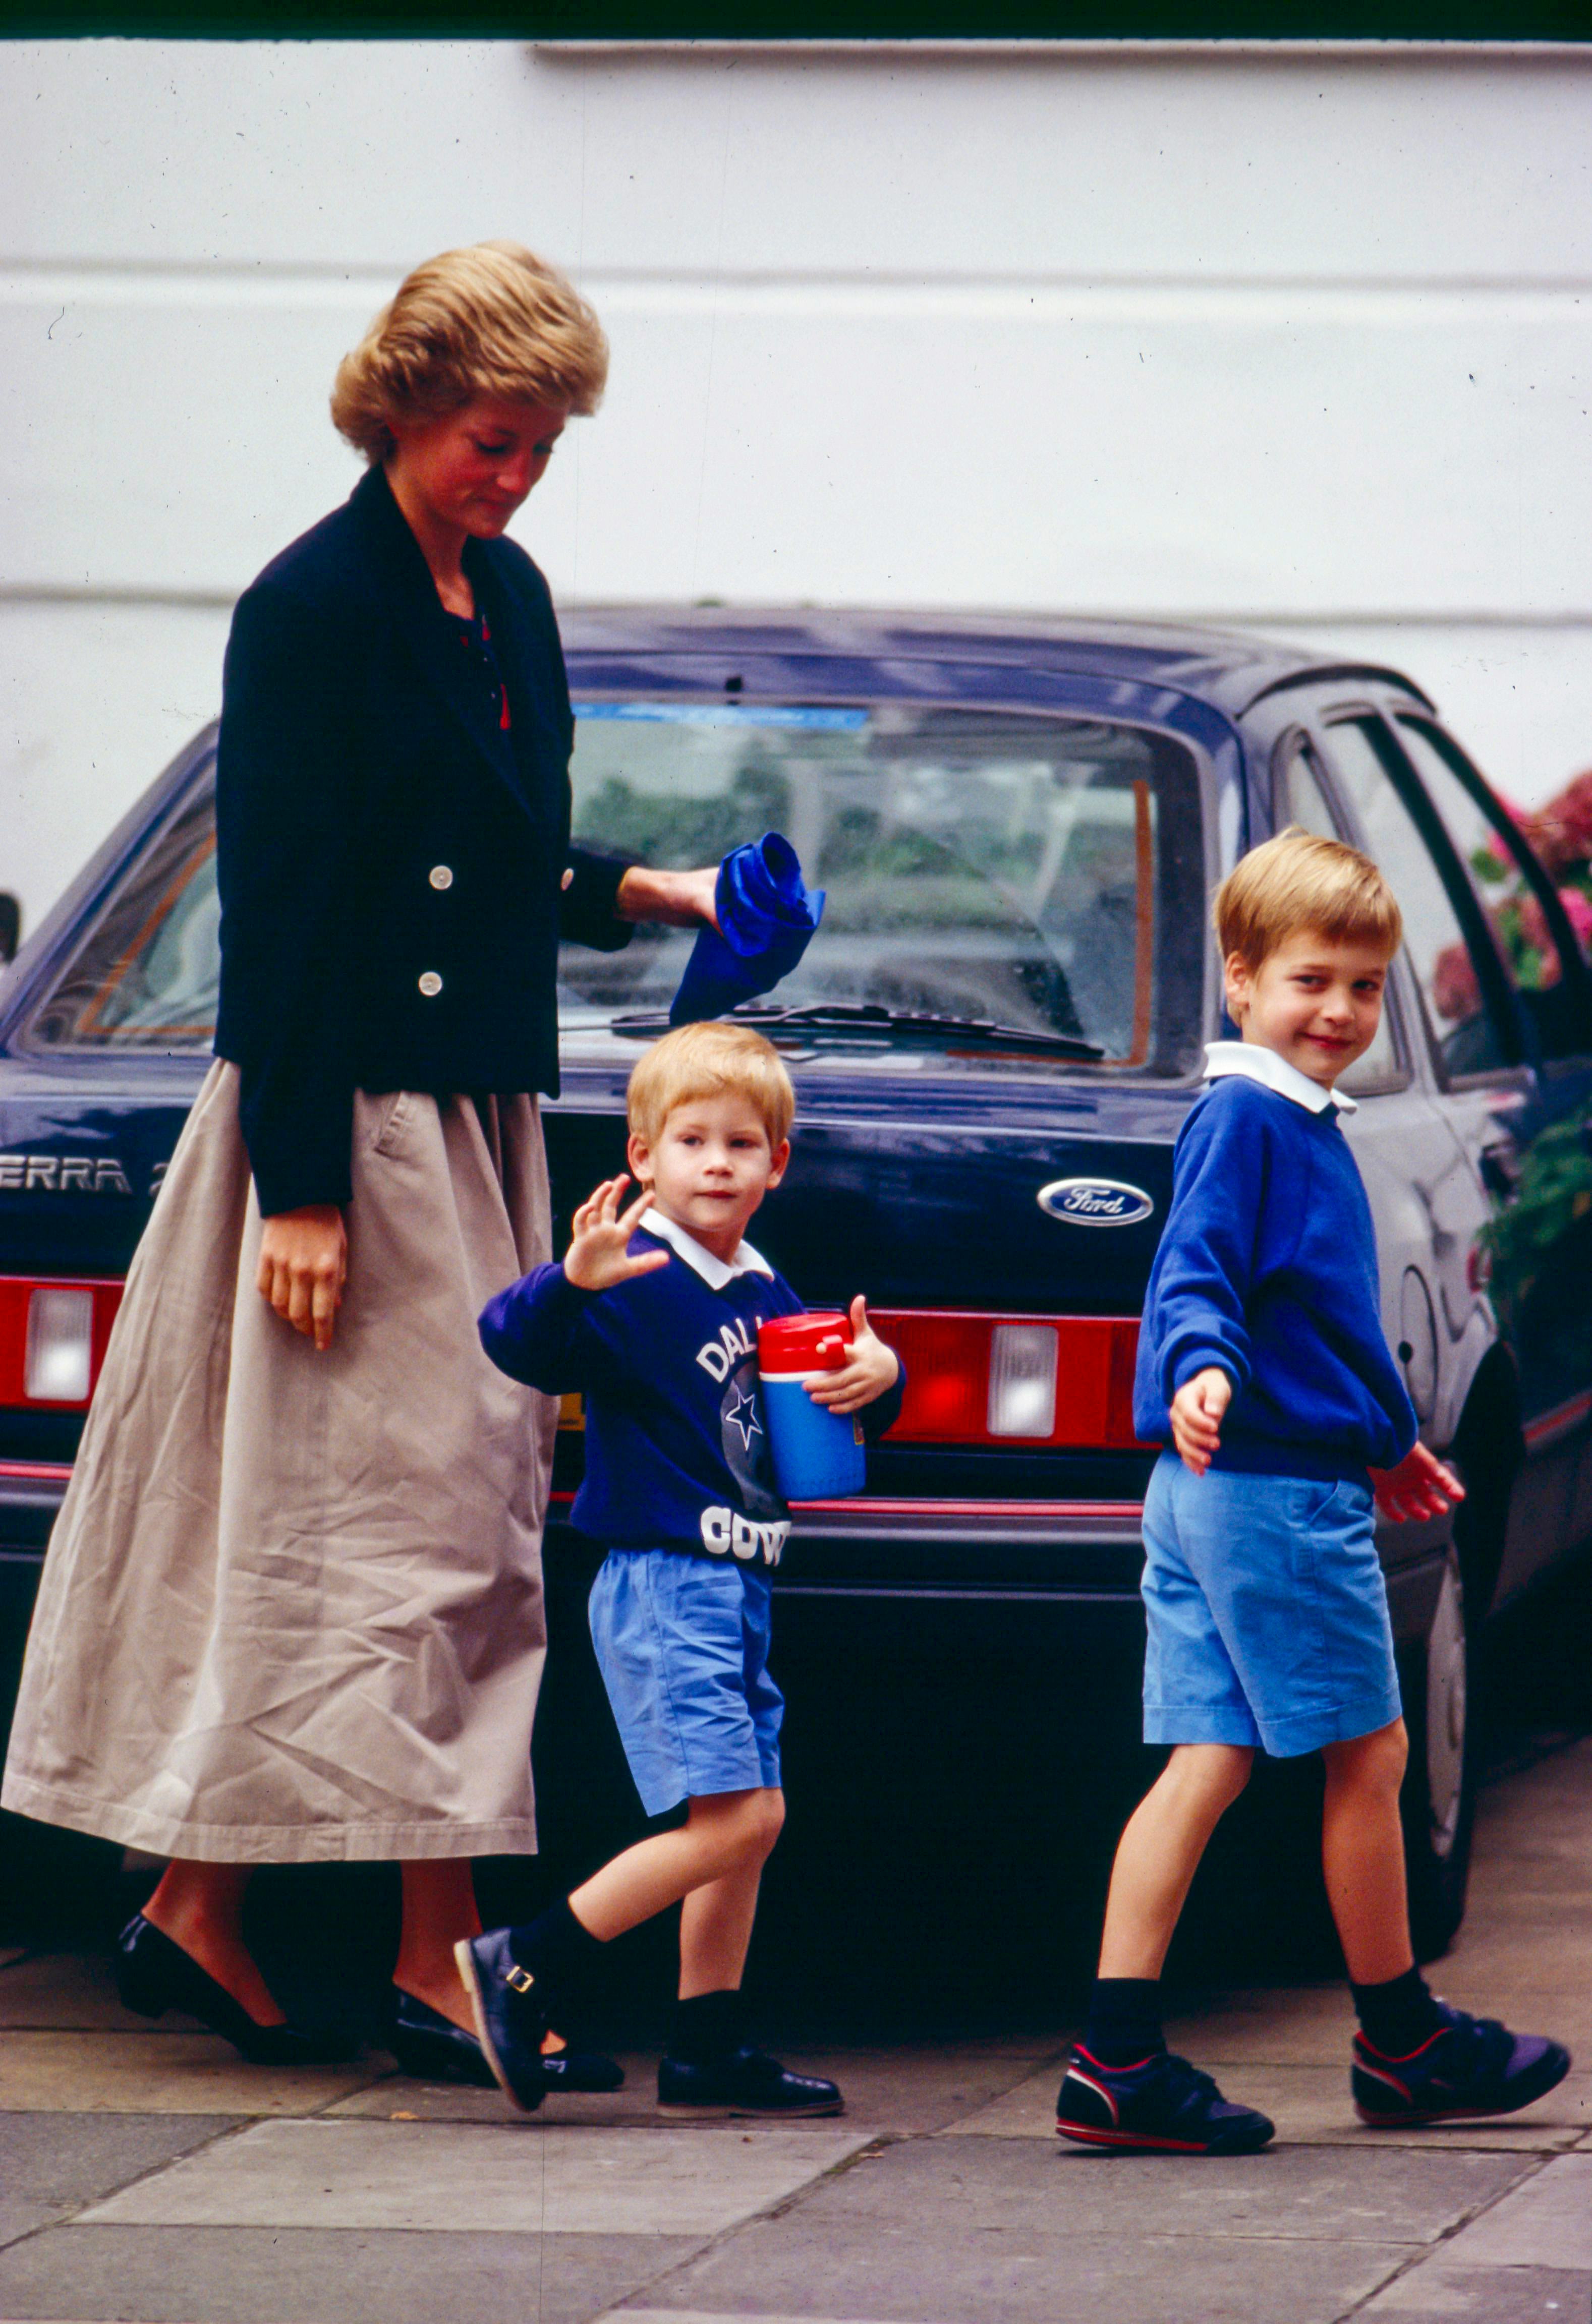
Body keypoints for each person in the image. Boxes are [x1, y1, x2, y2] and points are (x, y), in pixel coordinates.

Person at [2, 243, 722, 2086]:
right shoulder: (310, 603)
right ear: (404, 397)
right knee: (425, 1535)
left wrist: (646, 888)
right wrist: (302, 1179)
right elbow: (293, 908)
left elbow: (493, 852)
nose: (516, 476)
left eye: (544, 447)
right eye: (495, 437)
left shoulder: (510, 593)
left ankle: (221, 1908)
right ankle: (399, 1949)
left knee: (426, 1533)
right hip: (353, 1130)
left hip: (475, 1114)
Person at [1055, 829, 1572, 2154]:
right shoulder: (1246, 1121)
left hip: (1229, 1487)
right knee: (1373, 1752)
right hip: (1267, 1497)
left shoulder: (1287, 1117)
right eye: (1307, 981)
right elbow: (1196, 1276)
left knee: (1209, 1758)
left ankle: (1113, 2058)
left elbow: (1321, 1321)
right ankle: (1400, 2041)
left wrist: (1385, 1440)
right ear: (1238, 983)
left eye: (1360, 986)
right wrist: (1200, 1367)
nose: (1335, 1010)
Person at [460, 1020, 904, 2114]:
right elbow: (513, 1340)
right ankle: (523, 1962)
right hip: (665, 1584)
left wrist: (876, 1374)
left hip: (740, 1581)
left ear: (776, 1163)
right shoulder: (637, 1271)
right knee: (737, 1820)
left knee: (748, 1820)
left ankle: (707, 2044)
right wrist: (571, 1278)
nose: (717, 1162)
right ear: (643, 1157)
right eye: (691, 1141)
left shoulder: (761, 1286)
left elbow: (824, 1408)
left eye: (741, 1144)